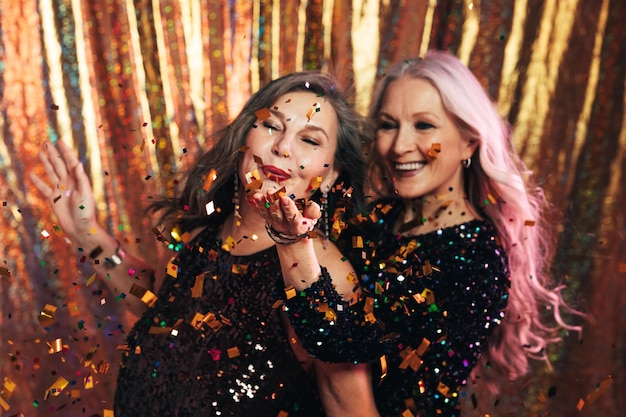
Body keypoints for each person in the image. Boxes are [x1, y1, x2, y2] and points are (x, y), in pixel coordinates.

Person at [251, 50, 583, 417]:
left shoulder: (476, 258)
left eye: (424, 125)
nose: (399, 146)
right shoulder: (379, 217)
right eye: (389, 125)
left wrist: (290, 240)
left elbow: (339, 343)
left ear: (469, 141)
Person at [29, 71, 380, 416]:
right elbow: (159, 301)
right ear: (245, 134)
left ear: (331, 173)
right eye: (272, 126)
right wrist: (86, 232)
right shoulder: (208, 234)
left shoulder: (321, 274)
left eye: (310, 140)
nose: (283, 147)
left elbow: (352, 407)